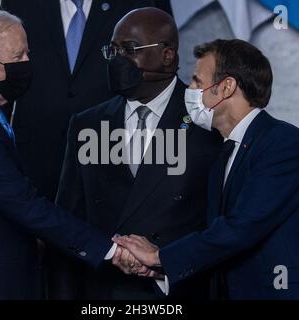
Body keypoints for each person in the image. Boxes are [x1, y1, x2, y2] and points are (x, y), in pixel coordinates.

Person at [0, 10, 132, 300]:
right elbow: (27, 206)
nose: (28, 64)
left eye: (27, 55)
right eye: (18, 56)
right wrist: (111, 250)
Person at [114, 39, 299, 300]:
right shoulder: (224, 154)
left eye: (197, 81)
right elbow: (221, 243)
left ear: (226, 86)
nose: (189, 90)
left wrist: (159, 256)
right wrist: (161, 270)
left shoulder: (282, 141)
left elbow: (242, 227)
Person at [53, 7, 223, 300]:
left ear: (167, 55)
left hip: (178, 294)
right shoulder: (87, 124)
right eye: (113, 50)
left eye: (129, 50)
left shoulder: (207, 122)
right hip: (103, 294)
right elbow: (67, 224)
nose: (117, 60)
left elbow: (220, 227)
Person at [0, 0, 158, 202]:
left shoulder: (134, 4)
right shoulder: (19, 4)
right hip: (34, 160)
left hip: (108, 155)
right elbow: (2, 77)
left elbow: (153, 77)